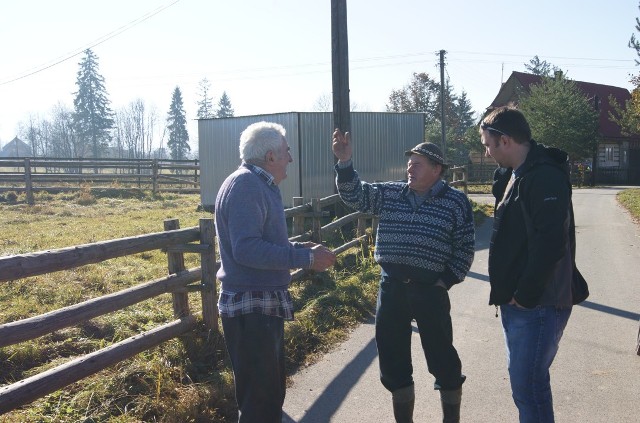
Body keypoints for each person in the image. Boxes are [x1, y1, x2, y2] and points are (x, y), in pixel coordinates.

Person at [332, 129, 475, 423]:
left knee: (442, 356)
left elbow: (465, 246)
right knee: (393, 358)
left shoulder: (455, 202)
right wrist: (345, 162)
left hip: (430, 289)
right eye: (409, 162)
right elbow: (355, 195)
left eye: (418, 163)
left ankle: (451, 418)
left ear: (436, 170)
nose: (410, 167)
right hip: (392, 287)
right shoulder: (391, 194)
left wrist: (446, 280)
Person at [215, 121, 336, 423]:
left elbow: (256, 242)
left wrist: (294, 247)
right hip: (252, 305)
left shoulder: (254, 184)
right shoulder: (246, 186)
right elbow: (247, 249)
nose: (290, 159)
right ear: (270, 157)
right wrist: (305, 258)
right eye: (286, 152)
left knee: (266, 395)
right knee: (261, 400)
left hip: (258, 303)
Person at [480, 106, 588, 422]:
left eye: (488, 144)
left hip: (537, 303)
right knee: (527, 386)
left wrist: (524, 295)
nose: (486, 153)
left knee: (528, 387)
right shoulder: (519, 172)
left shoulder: (543, 177)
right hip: (523, 302)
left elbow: (550, 243)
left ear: (505, 140)